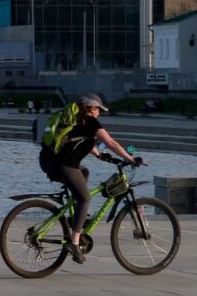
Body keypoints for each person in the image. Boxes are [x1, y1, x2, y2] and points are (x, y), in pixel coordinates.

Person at [38, 94, 137, 264]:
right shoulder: (90, 121)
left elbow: (79, 140)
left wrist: (101, 155)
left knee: (84, 173)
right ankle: (74, 242)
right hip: (64, 165)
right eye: (98, 109)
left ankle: (75, 215)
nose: (99, 112)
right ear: (92, 108)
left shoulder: (74, 117)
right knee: (85, 198)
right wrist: (131, 159)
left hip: (47, 160)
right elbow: (111, 143)